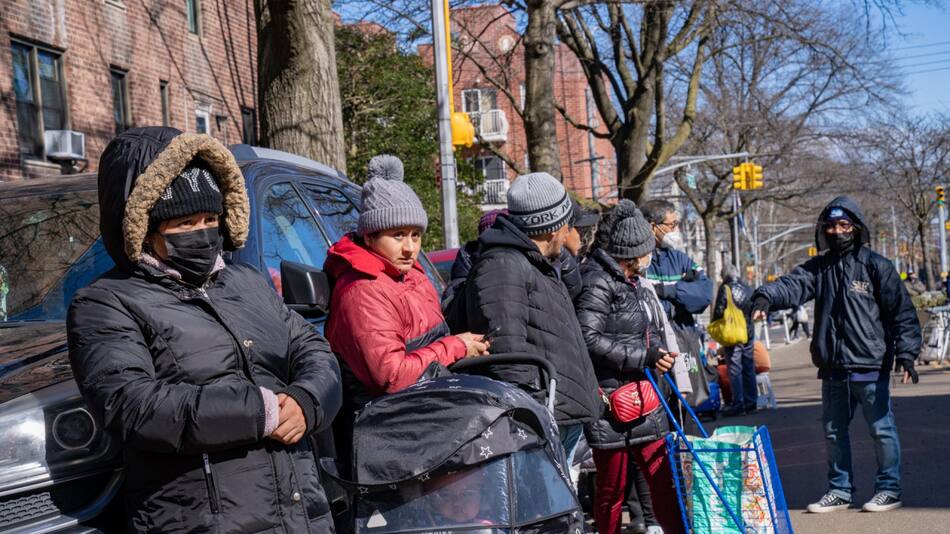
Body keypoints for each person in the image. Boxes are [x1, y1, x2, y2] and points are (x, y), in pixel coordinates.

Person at [66, 127, 342, 532]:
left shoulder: (247, 282)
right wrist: (258, 412)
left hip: (301, 512)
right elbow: (131, 404)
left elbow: (313, 350)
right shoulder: (106, 303)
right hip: (203, 518)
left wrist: (307, 400)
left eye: (210, 219)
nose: (203, 232)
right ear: (144, 228)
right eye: (185, 223)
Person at [751, 197, 921, 514]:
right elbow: (791, 285)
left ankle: (889, 488)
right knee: (833, 432)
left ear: (856, 227)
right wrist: (765, 297)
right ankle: (840, 489)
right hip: (833, 368)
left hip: (870, 365)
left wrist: (907, 353)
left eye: (844, 225)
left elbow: (902, 313)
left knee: (881, 430)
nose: (837, 231)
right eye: (830, 226)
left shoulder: (877, 266)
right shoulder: (819, 268)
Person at [325, 155, 489, 471]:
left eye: (415, 235)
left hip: (425, 422)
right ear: (370, 236)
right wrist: (456, 346)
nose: (410, 248)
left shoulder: (411, 276)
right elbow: (392, 376)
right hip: (391, 439)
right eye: (398, 235)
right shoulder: (363, 290)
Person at [459, 172, 600, 470]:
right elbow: (506, 352)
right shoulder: (503, 265)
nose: (569, 232)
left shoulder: (534, 263)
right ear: (552, 228)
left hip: (558, 414)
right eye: (567, 224)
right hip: (542, 420)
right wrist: (536, 411)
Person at [576, 200, 684, 534]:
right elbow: (588, 338)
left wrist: (655, 353)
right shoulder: (597, 280)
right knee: (611, 490)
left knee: (664, 482)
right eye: (648, 250)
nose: (653, 255)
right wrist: (644, 356)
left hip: (643, 397)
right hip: (610, 403)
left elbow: (640, 330)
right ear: (633, 254)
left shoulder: (632, 281)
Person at [640, 200, 713, 329]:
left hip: (684, 336)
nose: (676, 230)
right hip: (653, 337)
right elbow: (643, 307)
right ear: (653, 227)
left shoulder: (680, 258)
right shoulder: (639, 261)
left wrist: (667, 291)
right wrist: (682, 301)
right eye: (672, 225)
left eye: (676, 224)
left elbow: (705, 294)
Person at [712, 264, 758, 416]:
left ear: (724, 275)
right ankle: (751, 403)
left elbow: (719, 311)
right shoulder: (747, 288)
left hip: (733, 334)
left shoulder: (725, 289)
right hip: (748, 332)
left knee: (735, 369)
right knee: (749, 367)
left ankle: (738, 403)